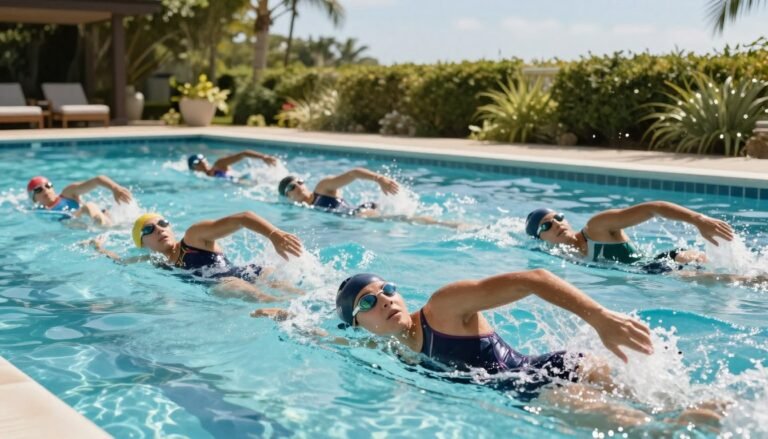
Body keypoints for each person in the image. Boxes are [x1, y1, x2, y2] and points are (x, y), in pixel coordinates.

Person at [255, 270, 725, 429]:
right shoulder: (389, 346)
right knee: (669, 418)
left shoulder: (442, 307)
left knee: (660, 426)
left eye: (388, 289)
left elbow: (533, 280)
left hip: (547, 379)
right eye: (369, 302)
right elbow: (325, 337)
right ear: (359, 324)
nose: (386, 301)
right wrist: (279, 315)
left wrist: (601, 319)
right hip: (534, 385)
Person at [92, 211, 303, 302]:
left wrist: (274, 234)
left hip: (241, 275)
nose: (159, 229)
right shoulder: (154, 261)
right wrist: (98, 248)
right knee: (273, 303)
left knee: (300, 295)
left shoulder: (194, 237)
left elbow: (242, 218)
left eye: (163, 223)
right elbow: (119, 261)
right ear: (142, 244)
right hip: (224, 284)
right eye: (148, 229)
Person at [525, 202, 735, 273]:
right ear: (541, 238)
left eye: (559, 217)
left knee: (738, 279)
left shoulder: (597, 227)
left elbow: (653, 208)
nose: (558, 224)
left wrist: (698, 220)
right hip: (655, 272)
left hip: (666, 261)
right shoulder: (562, 257)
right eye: (547, 225)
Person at [278, 168, 468, 228]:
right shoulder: (300, 212)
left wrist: (379, 179)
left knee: (404, 219)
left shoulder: (322, 188)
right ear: (288, 197)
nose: (298, 187)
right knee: (401, 219)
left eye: (299, 182)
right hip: (357, 218)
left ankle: (450, 225)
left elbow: (353, 174)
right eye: (291, 188)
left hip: (360, 213)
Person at [27, 175, 132, 225]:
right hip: (77, 226)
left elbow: (97, 180)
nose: (45, 190)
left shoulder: (68, 193)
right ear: (33, 198)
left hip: (90, 216)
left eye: (48, 185)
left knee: (88, 207)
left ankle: (108, 226)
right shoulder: (41, 212)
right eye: (38, 189)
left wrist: (115, 188)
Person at [187, 150, 278, 180]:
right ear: (193, 168)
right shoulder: (205, 178)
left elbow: (244, 153)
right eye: (197, 162)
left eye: (202, 159)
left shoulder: (219, 164)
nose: (202, 162)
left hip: (249, 179)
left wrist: (263, 157)